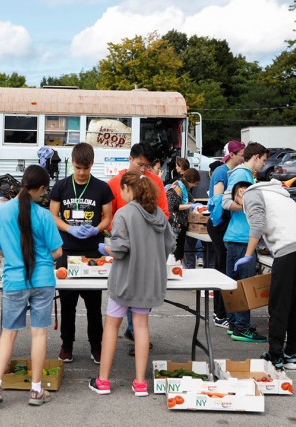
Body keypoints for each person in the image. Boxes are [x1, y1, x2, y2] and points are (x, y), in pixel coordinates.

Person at [0, 165, 63, 407]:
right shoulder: (44, 215)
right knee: (39, 333)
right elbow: (57, 251)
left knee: (8, 333)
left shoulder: (1, 212)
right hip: (42, 278)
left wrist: (15, 254)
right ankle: (36, 390)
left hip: (14, 279)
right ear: (42, 188)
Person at [89, 171, 176, 396]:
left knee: (111, 326)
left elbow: (120, 249)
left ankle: (104, 381)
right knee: (141, 327)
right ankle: (140, 383)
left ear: (128, 189)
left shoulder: (124, 214)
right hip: (150, 280)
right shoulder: (158, 214)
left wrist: (106, 248)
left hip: (125, 280)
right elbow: (170, 244)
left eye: (121, 189)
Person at [231, 180, 296, 371]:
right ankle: (290, 354)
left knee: (279, 303)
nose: (240, 205)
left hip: (287, 248)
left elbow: (258, 223)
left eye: (238, 200)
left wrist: (247, 255)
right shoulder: (278, 194)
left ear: (241, 191)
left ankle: (275, 356)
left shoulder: (251, 194)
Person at [49, 143, 114, 364]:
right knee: (67, 304)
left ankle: (96, 346)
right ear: (72, 164)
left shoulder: (102, 188)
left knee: (94, 305)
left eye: (85, 168)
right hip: (66, 251)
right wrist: (70, 228)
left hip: (93, 252)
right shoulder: (60, 186)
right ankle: (67, 345)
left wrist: (97, 229)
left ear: (92, 164)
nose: (81, 172)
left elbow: (107, 216)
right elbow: (53, 216)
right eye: (77, 168)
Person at [108, 142, 168, 354]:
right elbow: (109, 216)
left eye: (147, 166)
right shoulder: (116, 183)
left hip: (147, 252)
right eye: (140, 164)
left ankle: (134, 331)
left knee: (137, 302)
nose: (143, 169)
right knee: (126, 296)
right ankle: (134, 331)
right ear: (130, 158)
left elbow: (164, 215)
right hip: (123, 250)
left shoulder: (156, 182)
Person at [221, 142, 269, 342]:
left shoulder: (244, 175)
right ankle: (241, 326)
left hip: (236, 236)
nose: (264, 165)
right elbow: (226, 201)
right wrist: (251, 208)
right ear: (256, 157)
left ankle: (235, 324)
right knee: (244, 285)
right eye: (264, 160)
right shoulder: (242, 175)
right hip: (242, 238)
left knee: (235, 284)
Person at [206, 141, 245, 328]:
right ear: (232, 154)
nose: (243, 156)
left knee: (224, 267)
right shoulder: (222, 171)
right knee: (222, 268)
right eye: (241, 153)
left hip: (224, 224)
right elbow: (218, 198)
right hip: (219, 224)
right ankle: (219, 314)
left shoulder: (231, 172)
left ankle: (223, 312)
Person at [166, 168, 201, 262]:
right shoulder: (176, 188)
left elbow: (190, 200)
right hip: (175, 225)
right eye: (195, 183)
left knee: (179, 252)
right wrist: (190, 205)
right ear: (191, 180)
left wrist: (194, 204)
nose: (194, 186)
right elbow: (173, 207)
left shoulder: (184, 188)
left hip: (181, 224)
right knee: (174, 254)